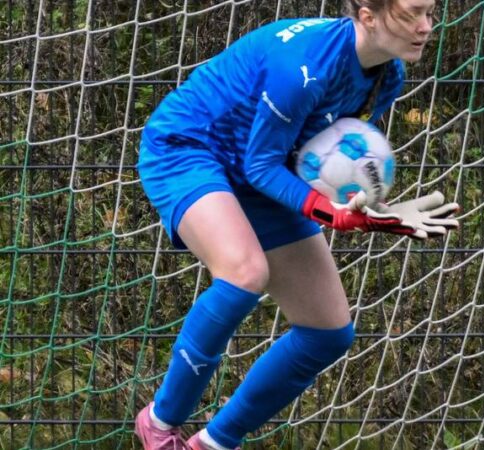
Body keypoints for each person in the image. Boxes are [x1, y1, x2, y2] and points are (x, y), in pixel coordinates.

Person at [133, 0, 458, 449]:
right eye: (411, 14)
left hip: (263, 171)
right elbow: (261, 164)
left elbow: (324, 161)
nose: (425, 27)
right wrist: (333, 214)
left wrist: (373, 209)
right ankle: (160, 424)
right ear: (368, 16)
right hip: (190, 149)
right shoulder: (304, 66)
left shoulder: (388, 76)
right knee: (245, 273)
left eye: (430, 14)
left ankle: (214, 443)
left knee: (329, 332)